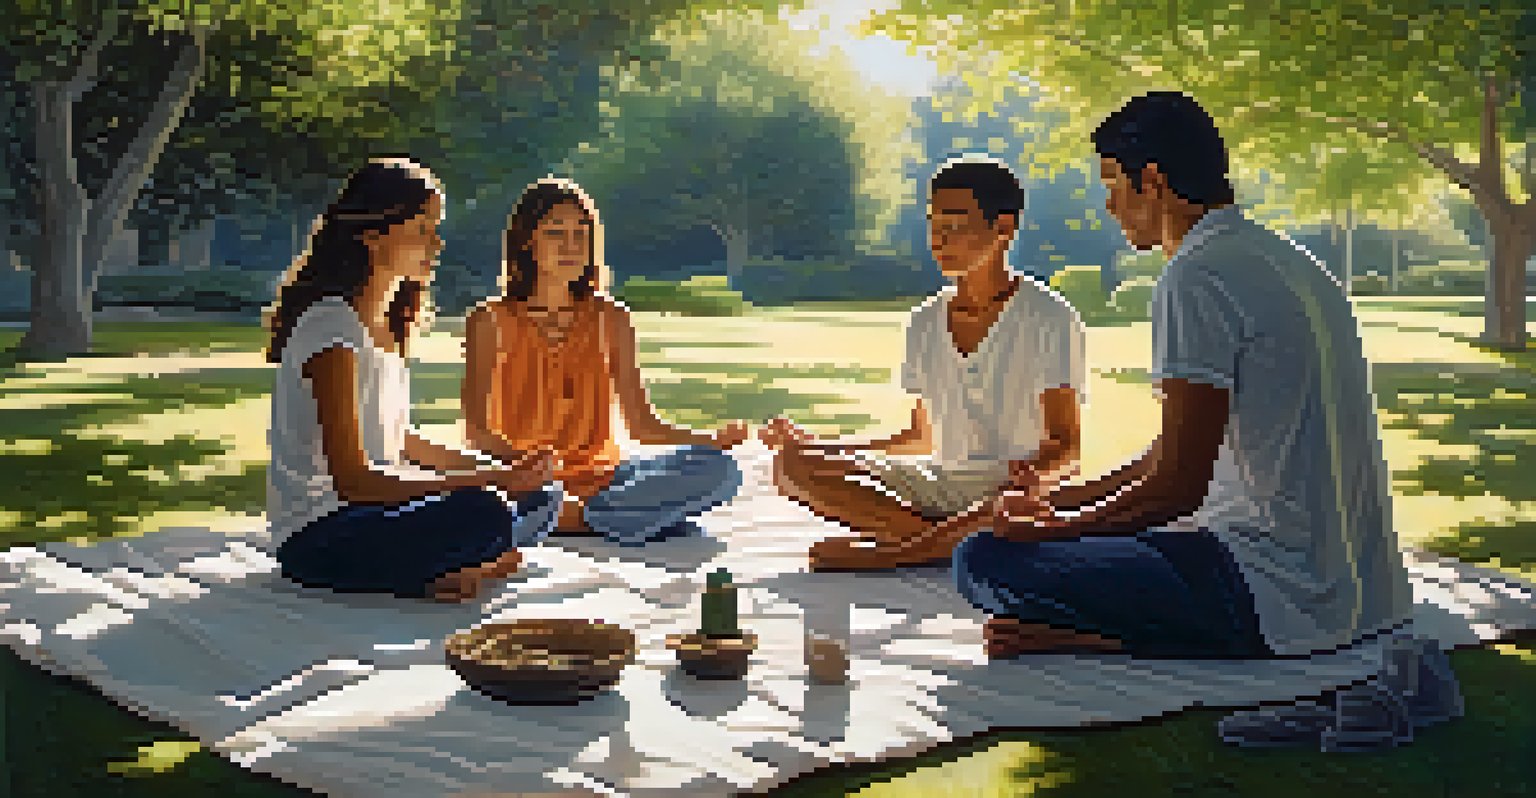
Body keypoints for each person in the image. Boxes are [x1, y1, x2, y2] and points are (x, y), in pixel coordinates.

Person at [958, 92, 1415, 661]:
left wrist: (1052, 532)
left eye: (1112, 184)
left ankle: (1105, 637)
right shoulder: (1292, 262)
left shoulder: (1196, 276)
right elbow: (1176, 451)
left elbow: (1177, 488)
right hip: (1367, 594)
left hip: (1270, 590)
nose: (1109, 206)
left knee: (983, 559)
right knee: (1076, 543)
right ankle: (1093, 625)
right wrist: (1069, 498)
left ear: (1151, 181)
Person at [758, 156, 1088, 571]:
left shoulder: (1048, 315)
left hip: (1008, 489)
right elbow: (918, 437)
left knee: (1019, 505)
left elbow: (1066, 447)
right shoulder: (924, 321)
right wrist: (819, 446)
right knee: (792, 464)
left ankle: (903, 549)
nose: (937, 240)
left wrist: (1028, 480)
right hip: (939, 485)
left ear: (1004, 228)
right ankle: (946, 545)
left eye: (954, 226)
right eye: (933, 225)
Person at [267, 158, 560, 604]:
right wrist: (485, 480)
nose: (436, 243)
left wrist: (505, 470)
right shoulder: (331, 330)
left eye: (435, 228)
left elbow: (400, 441)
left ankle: (458, 565)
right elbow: (354, 482)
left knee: (542, 496)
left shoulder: (387, 326)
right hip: (321, 536)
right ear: (372, 233)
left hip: (378, 515)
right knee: (484, 511)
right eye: (422, 228)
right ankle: (468, 563)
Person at [462, 177, 746, 546]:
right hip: (529, 481)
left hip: (605, 477)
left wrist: (710, 439)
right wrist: (526, 462)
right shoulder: (488, 321)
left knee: (720, 470)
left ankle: (573, 518)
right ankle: (619, 518)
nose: (571, 246)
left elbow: (642, 425)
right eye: (555, 233)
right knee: (485, 498)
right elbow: (477, 433)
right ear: (527, 241)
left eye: (581, 234)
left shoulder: (612, 317)